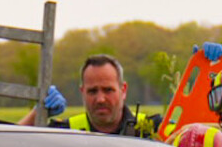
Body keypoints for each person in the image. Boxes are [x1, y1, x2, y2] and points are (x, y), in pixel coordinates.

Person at [21, 55, 159, 137]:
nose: (100, 99)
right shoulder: (65, 133)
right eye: (92, 91)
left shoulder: (151, 129)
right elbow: (9, 146)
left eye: (108, 90)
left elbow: (180, 138)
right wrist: (37, 113)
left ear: (123, 90)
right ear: (82, 92)